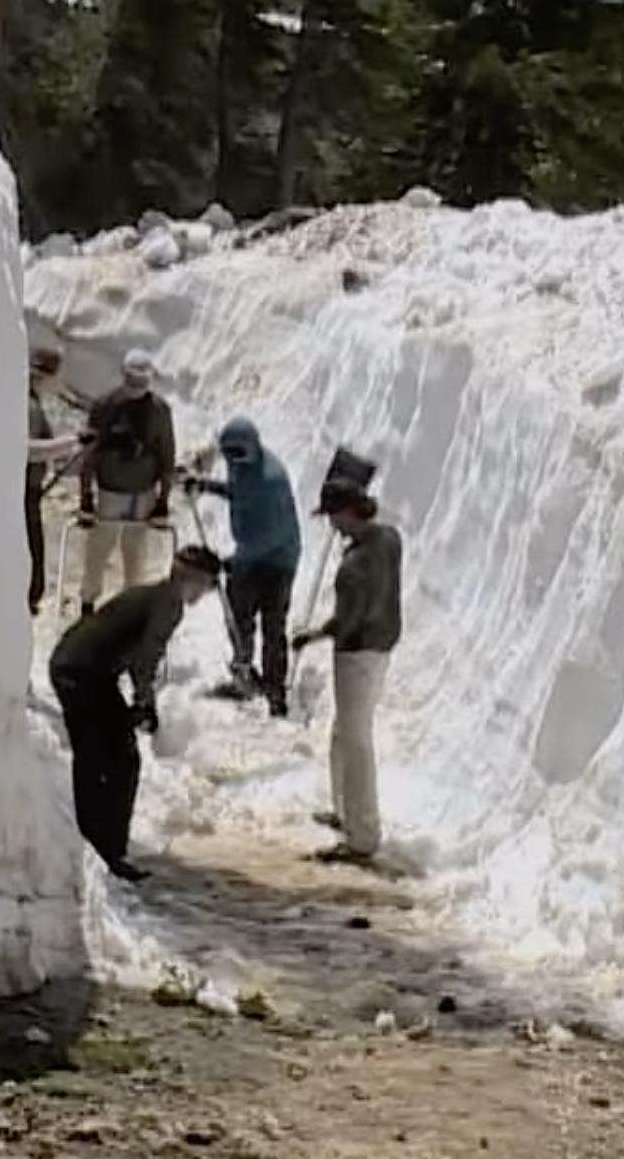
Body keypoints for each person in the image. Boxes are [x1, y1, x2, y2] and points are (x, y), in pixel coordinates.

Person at [50, 544, 226, 881]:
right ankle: (106, 850)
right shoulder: (168, 604)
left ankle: (98, 843)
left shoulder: (153, 595)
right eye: (207, 585)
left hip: (79, 667)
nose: (205, 594)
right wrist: (145, 701)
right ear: (194, 578)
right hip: (84, 674)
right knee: (114, 760)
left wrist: (141, 701)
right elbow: (146, 657)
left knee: (101, 757)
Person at [293, 484, 404, 864]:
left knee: (355, 742)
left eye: (334, 517)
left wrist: (312, 635)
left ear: (349, 512)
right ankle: (345, 812)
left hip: (356, 655)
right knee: (343, 733)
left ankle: (363, 836)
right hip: (383, 647)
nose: (333, 526)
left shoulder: (353, 567)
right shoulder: (390, 538)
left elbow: (346, 621)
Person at [185, 417, 300, 715]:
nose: (231, 461)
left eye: (236, 454)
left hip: (278, 560)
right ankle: (243, 676)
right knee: (238, 615)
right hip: (249, 555)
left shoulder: (271, 480)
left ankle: (276, 691)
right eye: (227, 454)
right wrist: (206, 486)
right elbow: (238, 491)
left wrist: (234, 561)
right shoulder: (241, 466)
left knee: (273, 625)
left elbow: (270, 536)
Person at [77, 348, 179, 608]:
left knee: (135, 555)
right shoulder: (104, 406)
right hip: (110, 491)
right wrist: (85, 497)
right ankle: (88, 601)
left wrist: (163, 500)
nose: (137, 387)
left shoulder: (159, 411)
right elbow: (89, 452)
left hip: (143, 494)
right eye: (132, 380)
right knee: (98, 550)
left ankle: (129, 606)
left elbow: (167, 456)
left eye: (141, 381)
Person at [26, 347, 85, 614]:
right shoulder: (29, 407)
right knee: (30, 570)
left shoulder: (30, 403)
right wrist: (71, 442)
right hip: (22, 495)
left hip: (28, 493)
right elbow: (26, 449)